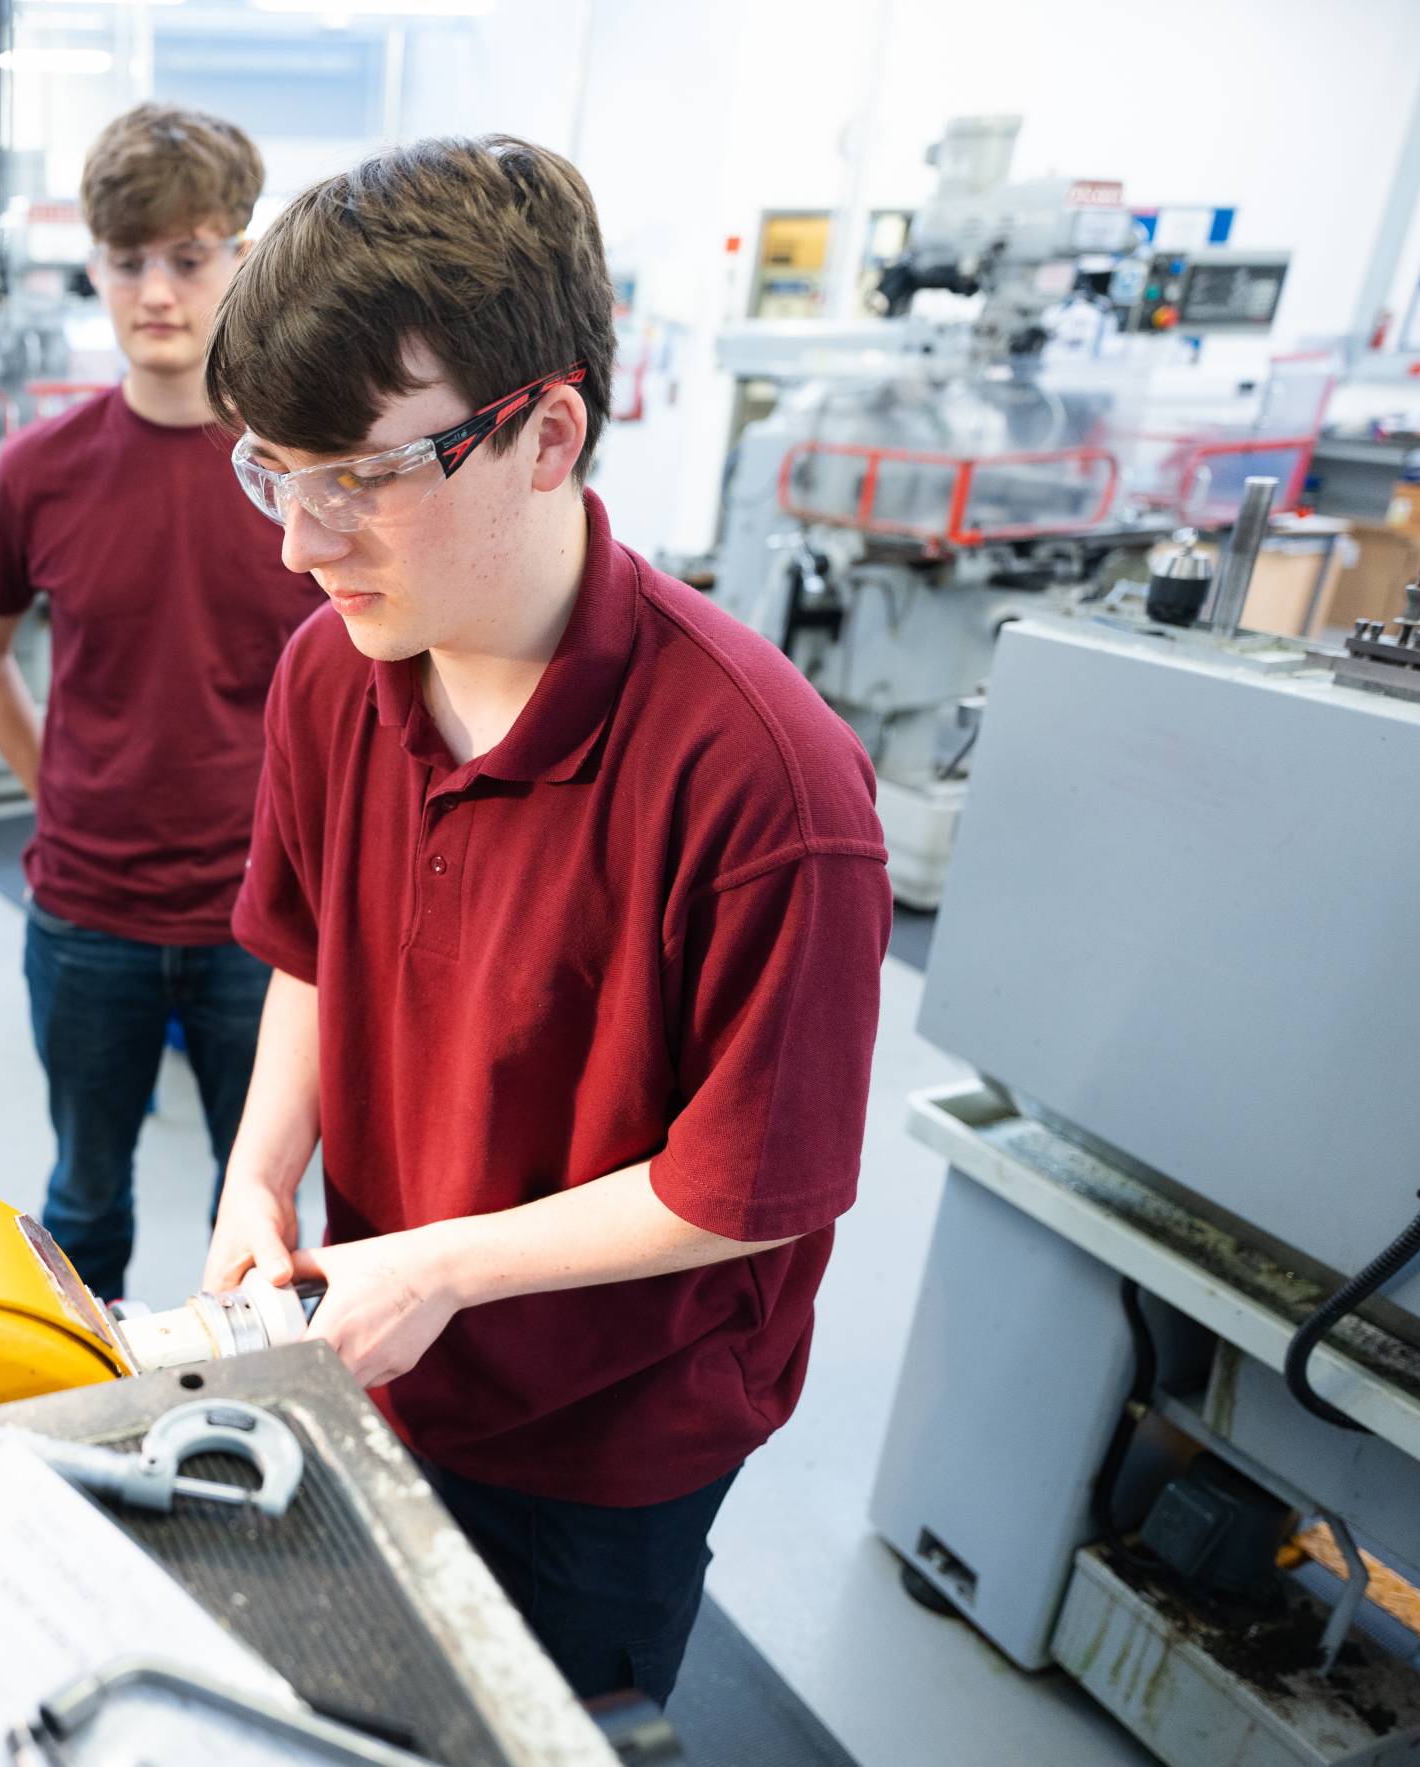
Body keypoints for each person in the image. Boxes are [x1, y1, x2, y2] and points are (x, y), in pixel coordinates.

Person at [197, 136, 890, 1708]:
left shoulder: (764, 783)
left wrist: (439, 1265)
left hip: (604, 1436)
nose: (301, 543)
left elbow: (744, 1188)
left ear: (546, 432)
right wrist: (258, 1171)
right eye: (271, 472)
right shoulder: (335, 669)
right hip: (382, 1353)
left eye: (357, 477)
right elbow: (308, 946)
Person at [0, 103, 325, 1302]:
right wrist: (58, 792)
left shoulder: (302, 477)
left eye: (188, 256)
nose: (157, 291)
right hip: (87, 918)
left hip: (262, 929)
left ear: (241, 259)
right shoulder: (36, 473)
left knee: (259, 1214)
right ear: (97, 268)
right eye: (129, 261)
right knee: (83, 1199)